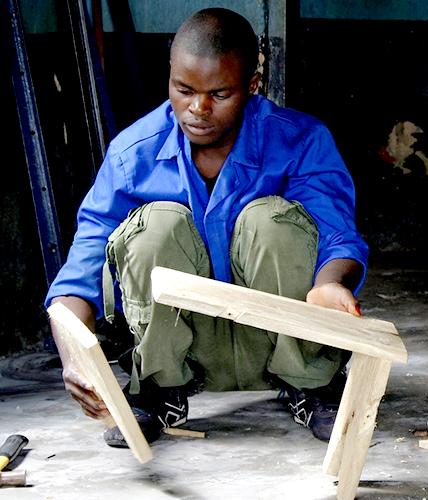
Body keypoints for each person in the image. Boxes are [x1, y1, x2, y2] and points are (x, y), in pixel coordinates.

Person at [45, 8, 368, 446]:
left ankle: (311, 385)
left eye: (219, 93)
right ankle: (159, 393)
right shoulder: (132, 154)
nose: (198, 109)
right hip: (181, 349)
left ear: (252, 86)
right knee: (154, 226)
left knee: (269, 221)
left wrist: (331, 283)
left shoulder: (301, 141)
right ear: (170, 75)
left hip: (278, 339)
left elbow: (337, 232)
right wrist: (74, 358)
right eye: (184, 90)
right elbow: (80, 270)